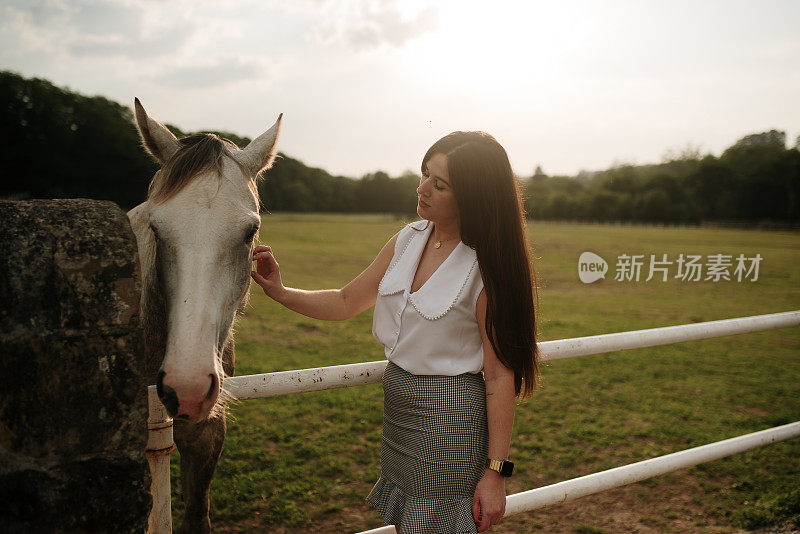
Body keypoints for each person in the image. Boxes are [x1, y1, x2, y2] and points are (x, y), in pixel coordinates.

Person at [251, 131, 541, 533]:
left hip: (449, 421)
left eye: (439, 185)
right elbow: (345, 300)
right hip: (399, 413)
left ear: (472, 196)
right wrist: (281, 293)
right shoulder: (408, 239)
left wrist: (495, 473)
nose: (421, 189)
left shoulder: (483, 268)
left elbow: (498, 377)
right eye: (424, 174)